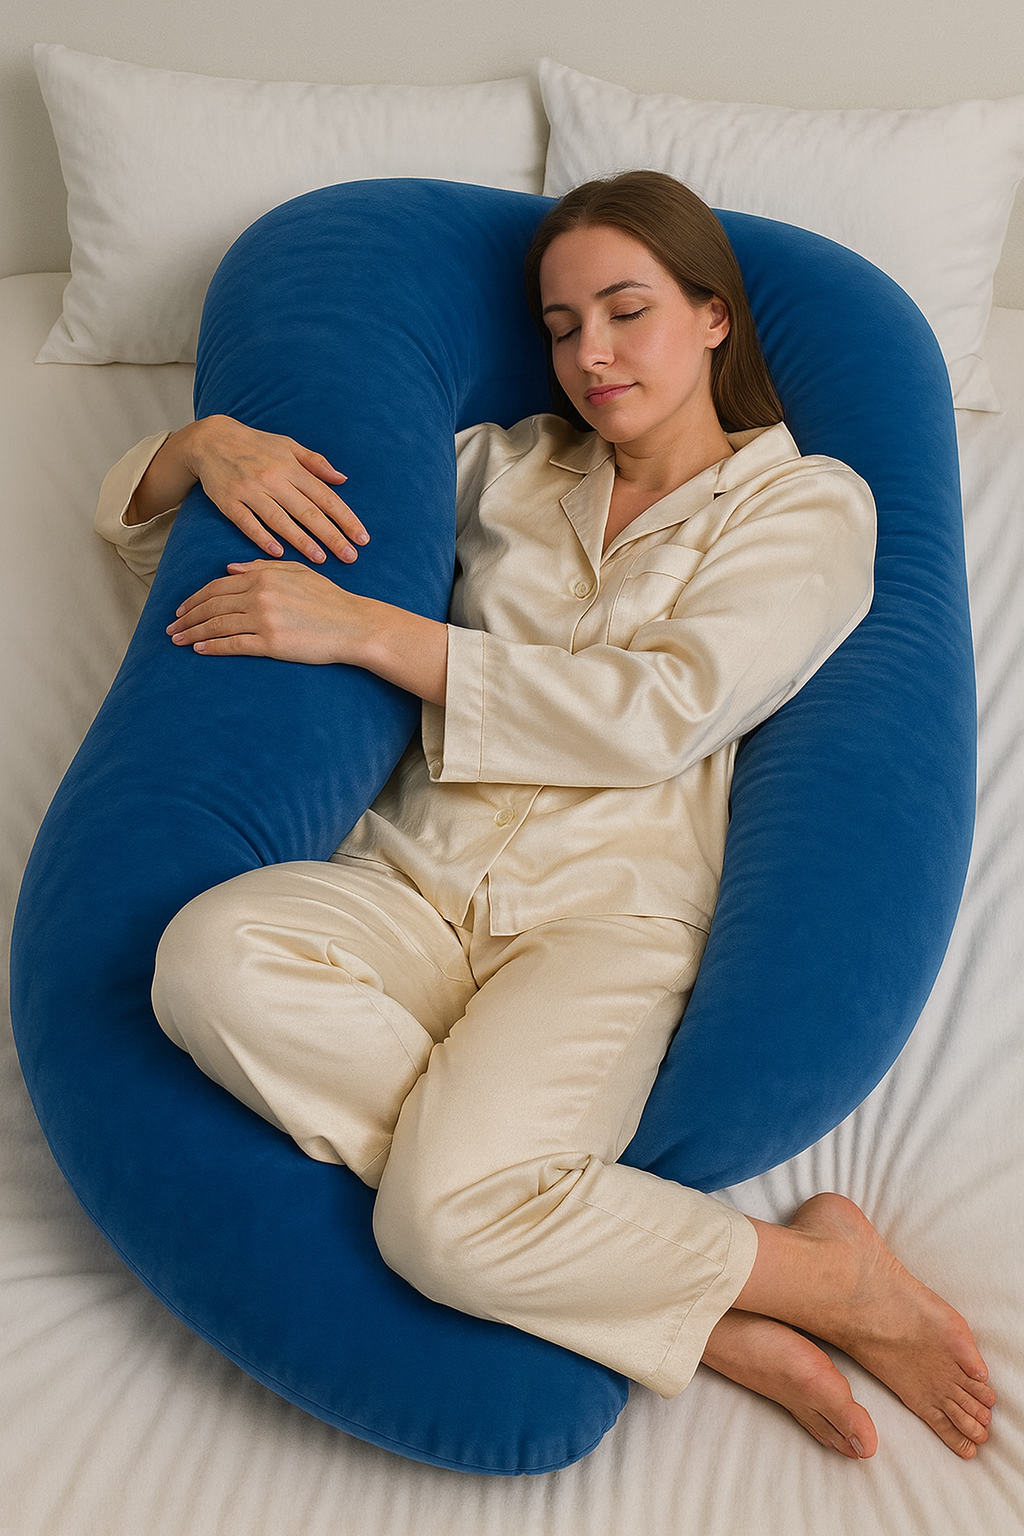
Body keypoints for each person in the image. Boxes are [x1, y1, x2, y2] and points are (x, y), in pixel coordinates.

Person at [95, 171, 994, 1461]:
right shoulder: (501, 468)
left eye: (627, 312)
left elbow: (662, 710)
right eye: (563, 327)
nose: (592, 355)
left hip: (603, 928)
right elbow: (211, 567)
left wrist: (379, 634)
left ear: (714, 319)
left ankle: (795, 1281)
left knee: (440, 1225)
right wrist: (195, 453)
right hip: (412, 879)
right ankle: (716, 1291)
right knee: (203, 960)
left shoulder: (808, 505)